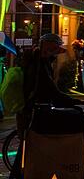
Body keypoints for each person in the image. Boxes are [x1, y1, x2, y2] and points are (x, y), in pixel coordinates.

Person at [11, 34, 78, 178]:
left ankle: (23, 173)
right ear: (48, 48)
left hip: (30, 109)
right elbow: (48, 88)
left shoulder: (37, 60)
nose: (56, 55)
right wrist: (71, 101)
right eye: (54, 50)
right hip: (32, 110)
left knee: (28, 145)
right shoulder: (39, 64)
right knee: (30, 145)